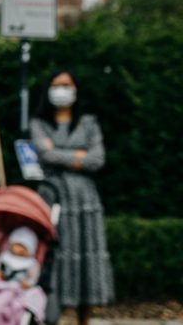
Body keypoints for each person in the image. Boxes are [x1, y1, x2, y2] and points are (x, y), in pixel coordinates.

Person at [29, 70, 114, 325]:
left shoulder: (88, 122)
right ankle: (53, 315)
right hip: (53, 197)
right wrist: (78, 156)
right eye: (56, 85)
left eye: (66, 85)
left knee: (87, 253)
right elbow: (44, 155)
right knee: (56, 253)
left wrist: (59, 153)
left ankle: (84, 319)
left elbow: (97, 159)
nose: (62, 90)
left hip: (85, 199)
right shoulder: (39, 122)